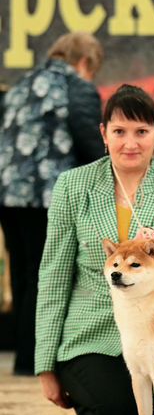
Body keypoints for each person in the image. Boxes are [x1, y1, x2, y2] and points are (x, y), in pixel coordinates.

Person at [35, 84, 154, 415]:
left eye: (141, 132)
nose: (130, 143)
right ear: (104, 134)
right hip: (93, 330)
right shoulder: (73, 186)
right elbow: (53, 274)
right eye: (119, 131)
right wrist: (45, 366)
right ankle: (91, 389)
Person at [0, 32, 104, 375]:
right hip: (46, 195)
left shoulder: (21, 84)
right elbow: (90, 138)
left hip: (7, 194)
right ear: (85, 62)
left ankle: (23, 357)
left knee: (23, 272)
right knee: (48, 274)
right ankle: (36, 361)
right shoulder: (78, 87)